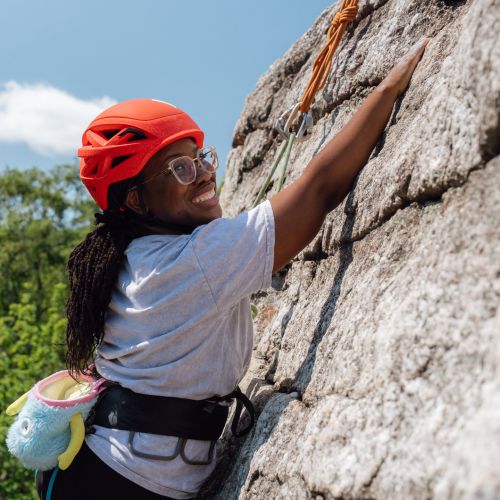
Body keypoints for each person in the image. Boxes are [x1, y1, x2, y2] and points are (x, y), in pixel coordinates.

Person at [35, 38, 429, 499]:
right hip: (121, 484)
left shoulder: (134, 258)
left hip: (108, 473)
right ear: (137, 200)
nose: (203, 174)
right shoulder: (194, 260)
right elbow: (318, 190)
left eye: (201, 157)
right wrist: (388, 90)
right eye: (178, 168)